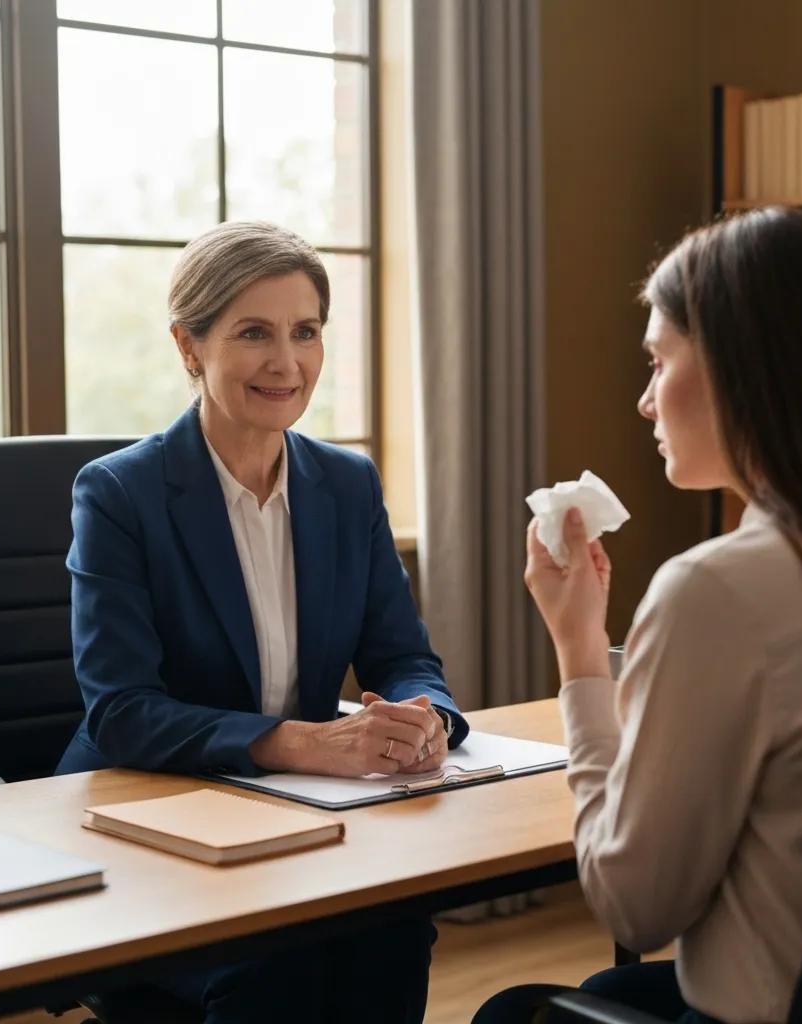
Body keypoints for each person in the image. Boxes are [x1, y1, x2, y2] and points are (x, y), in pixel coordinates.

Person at [474, 207, 802, 1024]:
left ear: (744, 369)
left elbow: (636, 907)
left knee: (515, 1015)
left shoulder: (718, 592)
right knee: (606, 994)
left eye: (659, 361)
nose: (644, 401)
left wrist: (580, 651)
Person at [55, 220, 469, 1024]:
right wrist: (300, 743)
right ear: (188, 346)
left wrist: (428, 722)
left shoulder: (346, 485)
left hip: (293, 815)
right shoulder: (119, 493)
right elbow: (121, 709)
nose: (288, 363)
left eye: (305, 332)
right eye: (254, 333)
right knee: (278, 971)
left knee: (390, 936)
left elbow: (405, 655)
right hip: (144, 818)